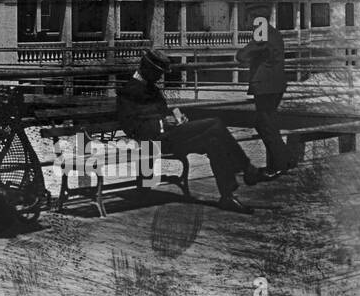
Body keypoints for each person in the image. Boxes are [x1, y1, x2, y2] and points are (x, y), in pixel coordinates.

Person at [117, 49, 264, 214]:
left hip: (170, 137)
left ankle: (227, 196)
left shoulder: (152, 88)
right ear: (148, 70)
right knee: (216, 124)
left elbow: (163, 112)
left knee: (213, 141)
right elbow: (131, 127)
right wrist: (162, 123)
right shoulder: (128, 91)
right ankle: (247, 168)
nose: (160, 78)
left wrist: (177, 119)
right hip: (155, 143)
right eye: (158, 74)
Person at [235, 18, 293, 176]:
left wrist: (251, 57)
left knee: (264, 125)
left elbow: (241, 55)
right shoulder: (275, 33)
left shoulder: (262, 34)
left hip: (264, 87)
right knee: (271, 124)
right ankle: (284, 161)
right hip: (276, 85)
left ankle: (280, 163)